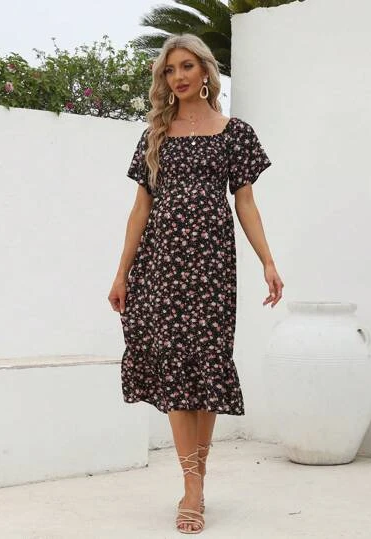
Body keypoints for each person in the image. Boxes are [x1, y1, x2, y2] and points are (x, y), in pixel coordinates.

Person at [108, 33, 284, 534]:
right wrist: (121, 272)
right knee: (174, 372)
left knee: (206, 369)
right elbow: (140, 209)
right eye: (169, 70)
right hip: (161, 267)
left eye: (187, 66)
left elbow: (245, 204)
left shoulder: (235, 134)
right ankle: (191, 486)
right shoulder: (155, 136)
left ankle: (196, 480)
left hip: (212, 268)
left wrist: (268, 262)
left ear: (206, 71)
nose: (178, 76)